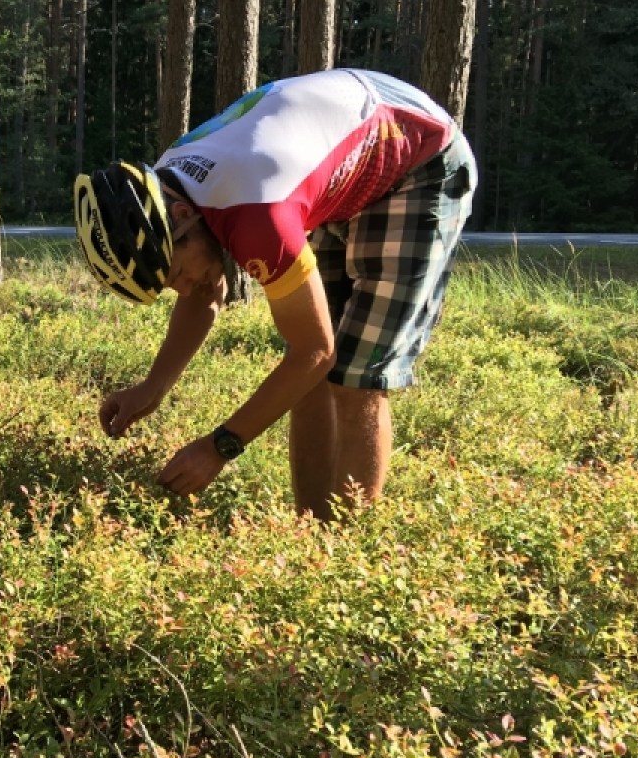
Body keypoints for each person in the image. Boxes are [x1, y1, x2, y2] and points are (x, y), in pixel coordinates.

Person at [73, 68, 476, 521]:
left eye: (178, 273)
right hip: (336, 163)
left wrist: (218, 447)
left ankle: (349, 553)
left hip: (417, 155)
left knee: (354, 376)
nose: (185, 287)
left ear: (183, 216)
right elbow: (206, 292)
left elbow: (315, 352)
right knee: (309, 384)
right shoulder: (170, 187)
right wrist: (155, 384)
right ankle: (314, 534)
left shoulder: (258, 217)